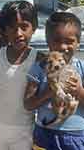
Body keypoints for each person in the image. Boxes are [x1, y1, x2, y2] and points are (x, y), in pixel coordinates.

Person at [0, 0, 38, 150]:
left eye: (24, 27)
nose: (18, 33)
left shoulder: (39, 60)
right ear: (5, 31)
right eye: (12, 28)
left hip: (24, 131)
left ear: (34, 28)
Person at [24, 12, 84, 150]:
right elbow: (28, 103)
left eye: (69, 41)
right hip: (45, 135)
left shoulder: (81, 68)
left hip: (76, 136)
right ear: (47, 40)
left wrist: (79, 91)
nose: (63, 47)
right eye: (57, 40)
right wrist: (48, 92)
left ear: (78, 43)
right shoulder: (39, 67)